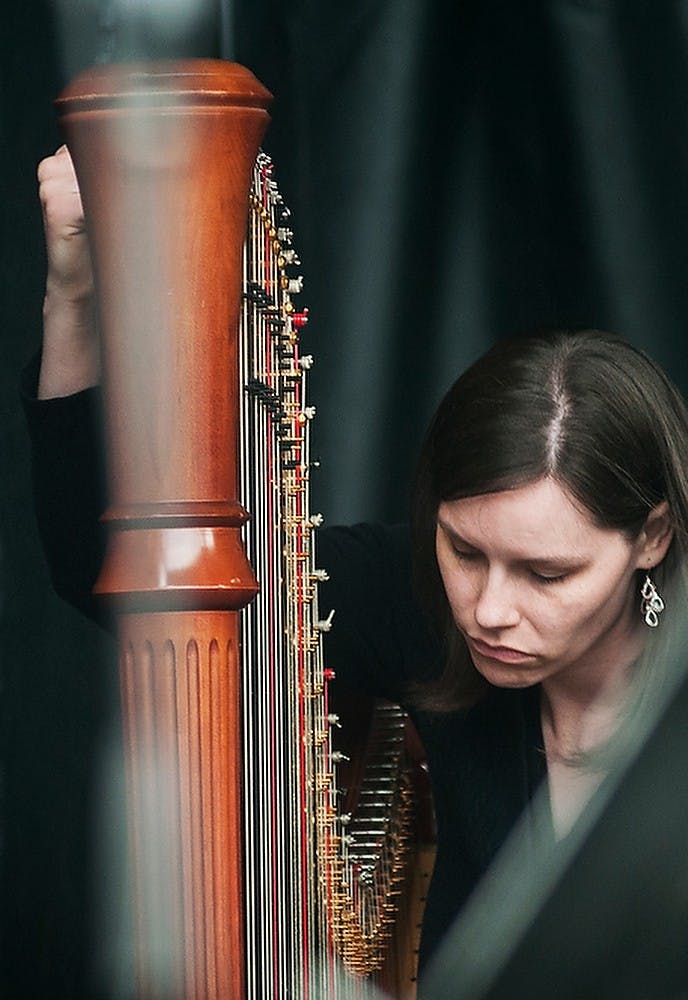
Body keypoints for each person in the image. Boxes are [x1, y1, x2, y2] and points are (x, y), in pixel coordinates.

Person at [24, 147, 688, 982]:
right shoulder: (420, 609)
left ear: (652, 539)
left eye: (546, 575)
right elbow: (113, 570)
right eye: (464, 549)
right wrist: (75, 291)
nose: (487, 608)